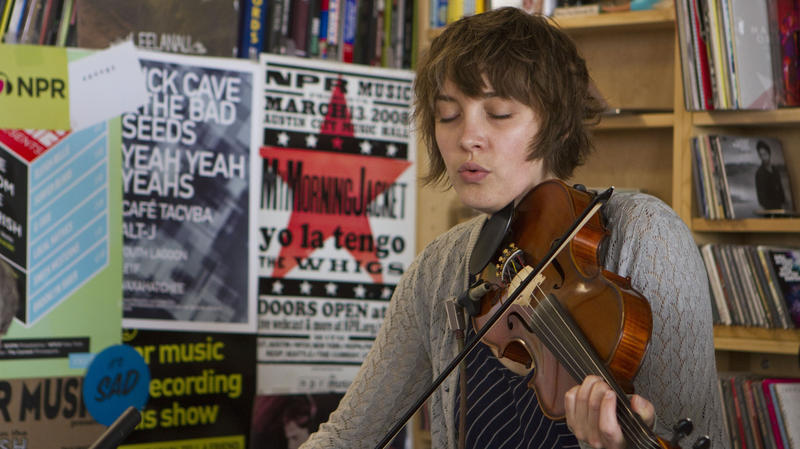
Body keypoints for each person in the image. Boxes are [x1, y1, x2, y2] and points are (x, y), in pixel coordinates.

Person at [300, 8, 727, 449]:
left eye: (499, 113)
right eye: (447, 115)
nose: (468, 137)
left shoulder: (644, 237)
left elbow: (700, 434)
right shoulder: (437, 269)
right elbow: (343, 438)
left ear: (558, 127)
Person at [754, 140, 788, 211]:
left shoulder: (775, 170)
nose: (764, 157)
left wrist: (783, 203)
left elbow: (781, 189)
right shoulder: (759, 173)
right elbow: (761, 199)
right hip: (770, 211)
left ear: (769, 153)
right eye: (761, 155)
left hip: (781, 208)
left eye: (765, 154)